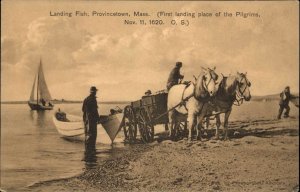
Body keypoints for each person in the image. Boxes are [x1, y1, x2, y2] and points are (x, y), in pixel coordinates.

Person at [82, 86, 100, 158]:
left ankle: (87, 152)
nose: (95, 93)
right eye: (95, 92)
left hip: (86, 120)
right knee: (93, 135)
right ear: (94, 92)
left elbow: (83, 109)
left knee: (87, 134)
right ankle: (92, 152)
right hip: (92, 120)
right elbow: (95, 111)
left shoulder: (86, 99)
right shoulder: (93, 100)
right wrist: (98, 118)